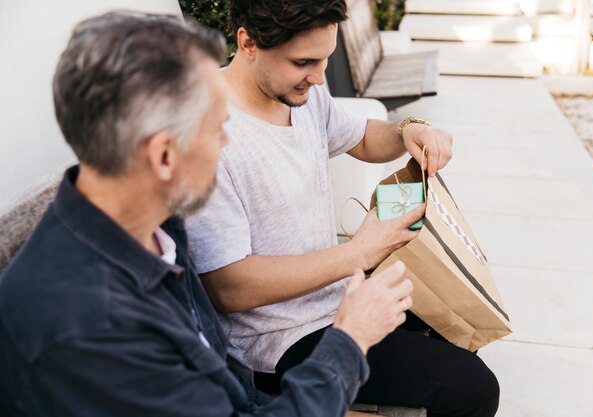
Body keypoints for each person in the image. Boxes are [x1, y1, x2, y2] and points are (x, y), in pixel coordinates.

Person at [0, 12, 416, 417]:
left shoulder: (153, 225)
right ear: (164, 156)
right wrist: (349, 339)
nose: (226, 141)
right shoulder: (91, 328)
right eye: (217, 128)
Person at [186, 1, 499, 416]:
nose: (318, 77)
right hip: (277, 341)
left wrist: (411, 130)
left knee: (461, 332)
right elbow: (229, 289)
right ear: (247, 43)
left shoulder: (301, 93)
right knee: (472, 389)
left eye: (325, 59)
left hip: (338, 301)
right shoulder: (206, 137)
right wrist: (360, 253)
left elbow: (364, 138)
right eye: (304, 62)